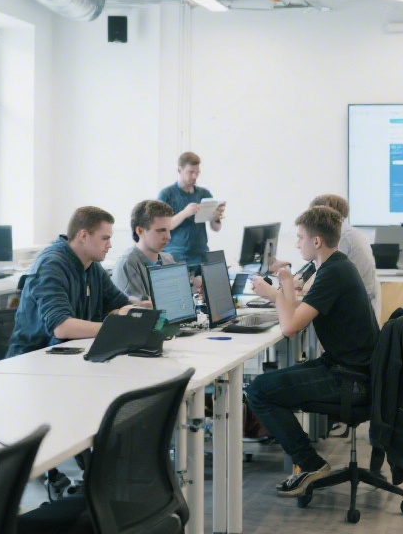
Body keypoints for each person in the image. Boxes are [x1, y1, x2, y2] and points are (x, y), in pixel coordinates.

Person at [244, 205, 380, 497]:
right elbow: (296, 311)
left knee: (259, 391)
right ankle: (308, 461)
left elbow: (291, 326)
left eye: (300, 237)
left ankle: (309, 463)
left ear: (316, 241)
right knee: (268, 384)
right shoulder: (336, 266)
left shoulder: (333, 273)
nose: (296, 243)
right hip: (349, 369)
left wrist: (273, 294)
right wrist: (286, 282)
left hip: (351, 380)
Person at [8, 206, 147, 357]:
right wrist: (115, 328)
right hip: (34, 361)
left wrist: (138, 307)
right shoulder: (51, 265)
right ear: (83, 236)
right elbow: (61, 327)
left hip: (71, 354)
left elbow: (119, 303)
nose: (110, 245)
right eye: (105, 238)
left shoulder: (92, 265)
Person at [310, 193, 378, 303]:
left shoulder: (342, 236)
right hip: (356, 296)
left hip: (354, 302)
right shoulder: (347, 232)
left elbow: (326, 272)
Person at [159, 151, 225, 263]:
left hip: (201, 253)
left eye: (197, 173)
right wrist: (185, 213)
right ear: (179, 170)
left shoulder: (204, 194)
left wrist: (216, 217)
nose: (194, 176)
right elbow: (162, 226)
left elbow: (216, 228)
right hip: (175, 254)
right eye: (191, 172)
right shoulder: (167, 194)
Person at [111, 199, 176, 301]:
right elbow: (139, 312)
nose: (168, 237)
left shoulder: (168, 259)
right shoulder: (127, 264)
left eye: (169, 230)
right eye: (160, 231)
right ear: (140, 231)